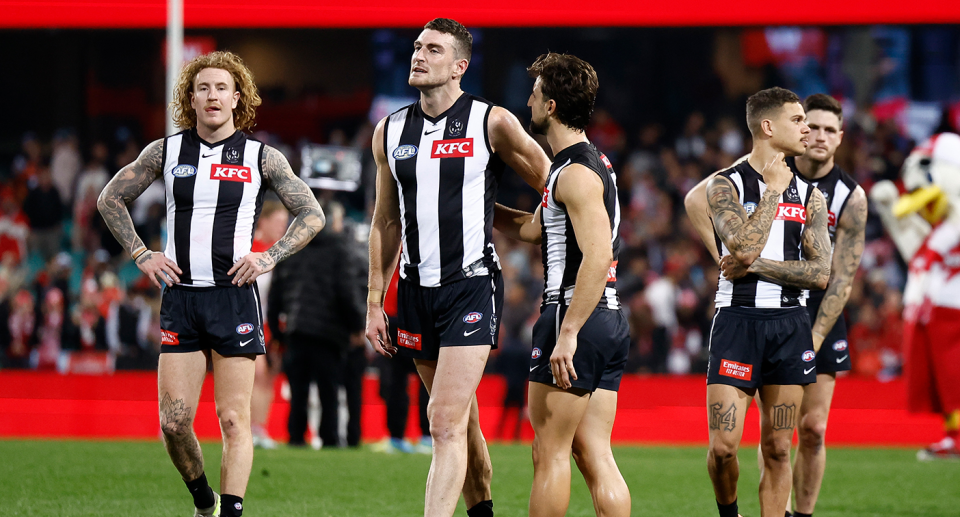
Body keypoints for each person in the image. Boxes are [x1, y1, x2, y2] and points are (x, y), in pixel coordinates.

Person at [97, 50, 324, 517]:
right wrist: (141, 253)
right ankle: (205, 501)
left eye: (222, 88)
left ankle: (232, 512)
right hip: (181, 299)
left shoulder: (262, 157)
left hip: (233, 299)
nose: (213, 95)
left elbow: (312, 213)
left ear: (237, 98)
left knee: (233, 418)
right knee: (174, 423)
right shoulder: (166, 151)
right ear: (191, 99)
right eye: (203, 88)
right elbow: (110, 198)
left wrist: (270, 256)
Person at [365, 18, 549, 517]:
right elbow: (385, 220)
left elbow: (555, 184)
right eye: (417, 47)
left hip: (470, 288)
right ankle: (482, 509)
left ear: (459, 66)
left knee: (442, 422)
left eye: (434, 50)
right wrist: (374, 302)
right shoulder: (390, 129)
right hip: (413, 291)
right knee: (461, 424)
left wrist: (534, 233)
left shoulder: (492, 122)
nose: (418, 55)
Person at [685, 93, 867, 516]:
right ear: (768, 127)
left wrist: (756, 265)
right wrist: (772, 194)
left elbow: (820, 274)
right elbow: (742, 247)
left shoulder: (813, 198)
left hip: (789, 326)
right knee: (724, 448)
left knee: (779, 449)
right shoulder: (725, 184)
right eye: (798, 120)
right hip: (737, 324)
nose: (806, 129)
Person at [493, 52, 632, 517]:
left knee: (548, 452)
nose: (527, 102)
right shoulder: (587, 166)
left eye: (533, 94)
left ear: (550, 106)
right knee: (594, 453)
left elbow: (598, 255)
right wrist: (476, 205)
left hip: (574, 315)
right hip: (607, 319)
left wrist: (568, 331)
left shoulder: (573, 174)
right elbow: (533, 229)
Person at [269, 199, 364, 448]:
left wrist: (278, 334)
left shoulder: (291, 249)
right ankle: (329, 438)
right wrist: (356, 326)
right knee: (328, 391)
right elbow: (346, 291)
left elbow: (275, 294)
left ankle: (296, 437)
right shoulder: (339, 250)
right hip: (329, 333)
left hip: (296, 330)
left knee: (298, 390)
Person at [249, 199, 289, 449]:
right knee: (257, 374)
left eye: (285, 224)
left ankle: (259, 428)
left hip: (271, 323)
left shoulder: (280, 254)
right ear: (263, 221)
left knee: (267, 378)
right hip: (249, 321)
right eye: (278, 222)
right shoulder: (250, 249)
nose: (282, 228)